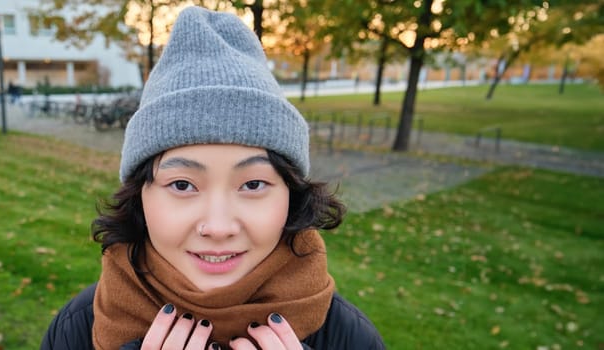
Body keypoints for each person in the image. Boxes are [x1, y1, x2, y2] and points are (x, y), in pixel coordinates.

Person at [41, 6, 384, 350]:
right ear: (140, 196)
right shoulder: (76, 328)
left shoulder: (349, 338)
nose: (218, 228)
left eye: (252, 184)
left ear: (291, 195)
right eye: (182, 184)